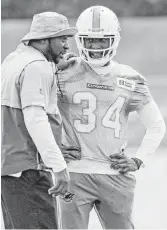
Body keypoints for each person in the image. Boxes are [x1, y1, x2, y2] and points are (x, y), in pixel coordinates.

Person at [56, 6, 166, 229]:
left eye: (102, 41)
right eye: (89, 41)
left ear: (114, 40)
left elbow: (156, 125)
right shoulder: (62, 71)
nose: (95, 47)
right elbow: (35, 113)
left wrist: (138, 159)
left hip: (114, 174)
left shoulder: (130, 78)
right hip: (74, 174)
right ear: (80, 41)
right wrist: (53, 147)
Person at [1, 11, 78, 229]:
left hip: (10, 169)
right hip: (30, 170)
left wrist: (54, 68)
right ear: (44, 39)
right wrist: (59, 166)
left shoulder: (14, 59)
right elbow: (36, 119)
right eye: (62, 39)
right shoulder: (38, 67)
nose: (66, 46)